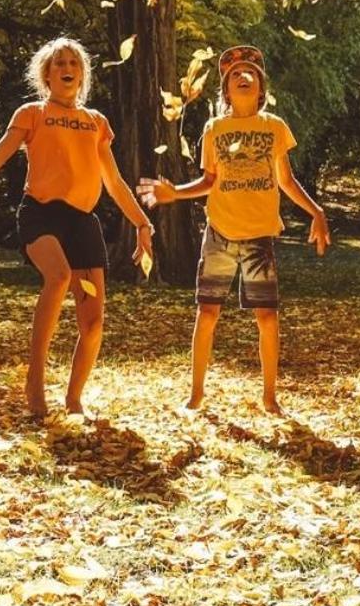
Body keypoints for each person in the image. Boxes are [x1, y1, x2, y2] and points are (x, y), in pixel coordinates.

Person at [0, 37, 153, 418]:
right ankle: (35, 380)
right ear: (47, 76)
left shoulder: (96, 123)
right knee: (58, 276)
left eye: (74, 62)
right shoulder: (32, 113)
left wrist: (142, 223)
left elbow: (114, 182)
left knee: (94, 322)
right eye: (59, 63)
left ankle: (73, 400)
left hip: (83, 222)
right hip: (41, 214)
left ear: (82, 74)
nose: (67, 67)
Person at [139, 44, 329, 414]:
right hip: (219, 235)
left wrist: (316, 211)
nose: (244, 78)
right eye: (235, 75)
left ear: (261, 89)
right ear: (226, 91)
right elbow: (209, 180)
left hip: (259, 238)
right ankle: (195, 394)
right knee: (207, 313)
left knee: (267, 316)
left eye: (251, 74)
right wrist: (173, 193)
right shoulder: (215, 129)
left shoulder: (273, 127)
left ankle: (270, 396)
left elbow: (286, 181)